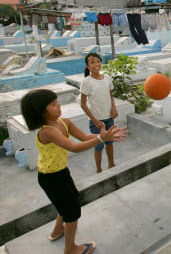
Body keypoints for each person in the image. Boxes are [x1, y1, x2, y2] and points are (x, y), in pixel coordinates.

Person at [20, 89, 127, 254]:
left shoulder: (64, 122)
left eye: (57, 102)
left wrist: (104, 135)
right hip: (50, 178)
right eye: (53, 104)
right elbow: (75, 147)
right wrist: (100, 139)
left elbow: (84, 137)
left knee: (69, 202)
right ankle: (70, 249)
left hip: (61, 172)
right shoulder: (47, 132)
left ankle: (57, 231)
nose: (58, 106)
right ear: (41, 111)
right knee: (72, 213)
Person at [80, 52, 118, 173]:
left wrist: (114, 108)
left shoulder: (107, 78)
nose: (96, 64)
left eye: (98, 61)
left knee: (110, 143)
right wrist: (95, 120)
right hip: (97, 121)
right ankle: (99, 169)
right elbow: (83, 104)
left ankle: (111, 164)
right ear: (88, 66)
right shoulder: (87, 82)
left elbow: (110, 94)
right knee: (98, 145)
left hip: (109, 118)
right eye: (92, 62)